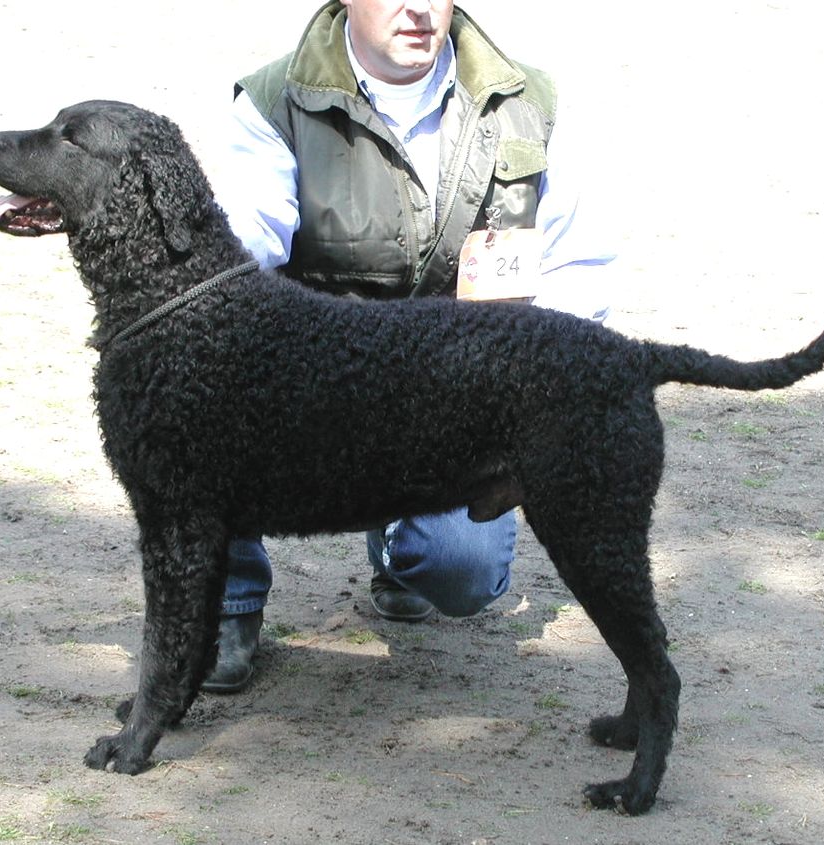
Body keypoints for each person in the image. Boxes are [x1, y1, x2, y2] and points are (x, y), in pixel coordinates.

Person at [201, 0, 616, 693]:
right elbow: (241, 249)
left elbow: (579, 273)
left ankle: (402, 550)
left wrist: (537, 403)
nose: (420, 7)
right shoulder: (272, 104)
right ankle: (227, 601)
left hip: (455, 404)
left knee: (462, 570)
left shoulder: (531, 105)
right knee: (206, 361)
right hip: (314, 392)